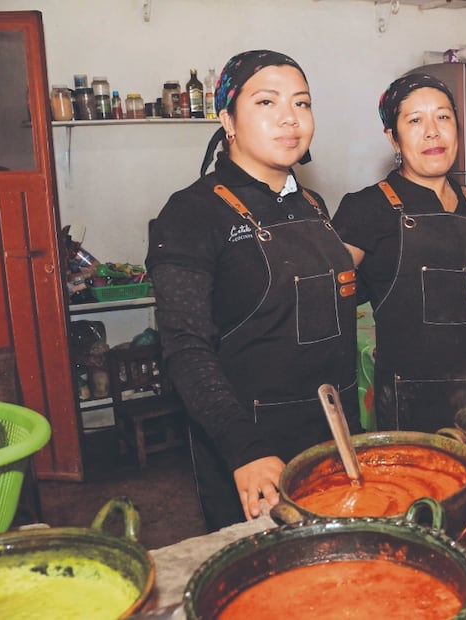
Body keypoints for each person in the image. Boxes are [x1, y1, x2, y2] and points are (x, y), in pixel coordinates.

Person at [146, 50, 360, 531]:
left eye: (302, 103)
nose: (290, 118)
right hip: (254, 449)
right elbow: (184, 346)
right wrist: (244, 446)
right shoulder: (192, 214)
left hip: (334, 434)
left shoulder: (313, 203)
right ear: (228, 120)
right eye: (266, 102)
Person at [332, 74, 466, 433]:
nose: (432, 132)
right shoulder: (366, 208)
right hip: (409, 405)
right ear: (392, 137)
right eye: (415, 121)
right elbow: (328, 305)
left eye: (443, 117)